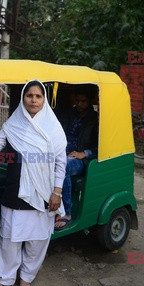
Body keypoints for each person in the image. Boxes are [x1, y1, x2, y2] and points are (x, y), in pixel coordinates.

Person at [0, 80, 67, 286]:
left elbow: (60, 163)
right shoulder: (12, 125)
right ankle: (6, 281)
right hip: (15, 191)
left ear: (44, 100)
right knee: (9, 240)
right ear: (23, 99)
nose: (33, 100)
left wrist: (57, 192)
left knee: (37, 241)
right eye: (29, 96)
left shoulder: (53, 128)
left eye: (38, 96)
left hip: (43, 194)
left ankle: (26, 278)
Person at [54, 89, 99, 230]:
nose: (79, 104)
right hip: (61, 152)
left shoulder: (95, 119)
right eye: (77, 100)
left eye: (83, 101)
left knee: (63, 166)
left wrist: (84, 153)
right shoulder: (69, 113)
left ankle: (66, 213)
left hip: (80, 160)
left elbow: (103, 146)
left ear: (90, 101)